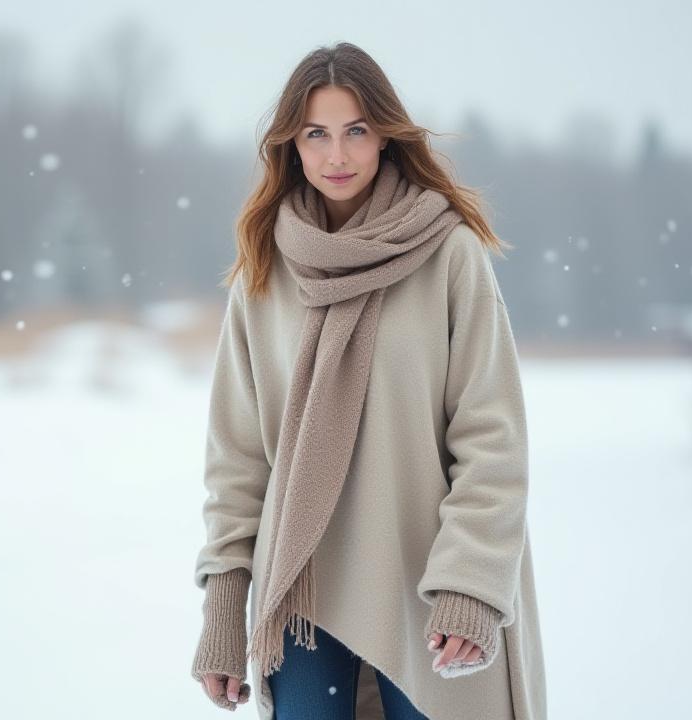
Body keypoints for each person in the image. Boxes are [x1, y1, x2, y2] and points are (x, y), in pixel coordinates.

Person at [190, 42, 546, 720]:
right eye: (316, 134)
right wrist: (223, 611)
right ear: (290, 146)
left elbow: (491, 439)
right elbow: (236, 463)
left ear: (385, 134)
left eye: (356, 130)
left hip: (425, 584)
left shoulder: (448, 255)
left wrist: (469, 582)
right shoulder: (264, 273)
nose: (338, 155)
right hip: (302, 596)